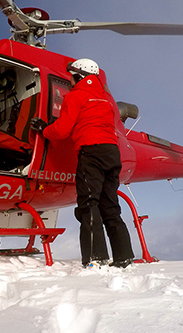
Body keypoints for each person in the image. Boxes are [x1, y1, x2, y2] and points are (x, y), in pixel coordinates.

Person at [30, 58, 134, 268]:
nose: (70, 81)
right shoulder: (105, 100)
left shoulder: (76, 96)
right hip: (112, 154)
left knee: (89, 203)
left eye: (72, 77)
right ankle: (124, 256)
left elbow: (62, 130)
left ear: (78, 76)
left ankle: (96, 258)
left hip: (91, 151)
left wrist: (43, 129)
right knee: (110, 206)